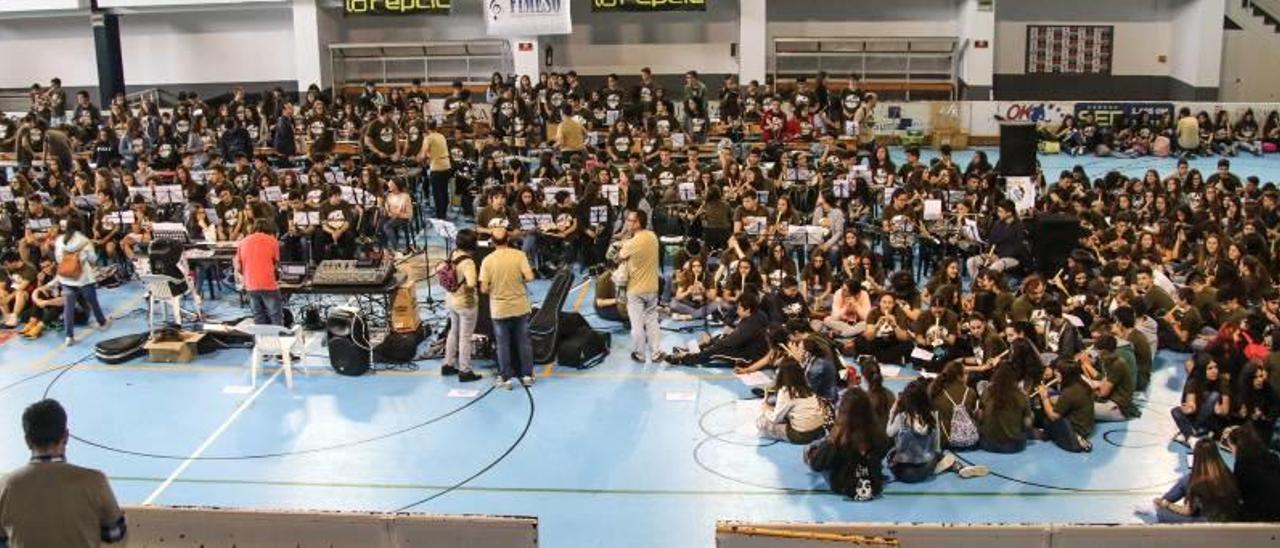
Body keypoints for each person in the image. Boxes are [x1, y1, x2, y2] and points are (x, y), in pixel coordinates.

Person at [0, 399, 126, 548]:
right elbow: (115, 534)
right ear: (66, 436)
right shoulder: (95, 481)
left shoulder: (6, 485)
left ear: (27, 441)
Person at [885, 378, 988, 483]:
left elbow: (889, 433)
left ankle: (942, 466)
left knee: (891, 453)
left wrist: (892, 413)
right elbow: (937, 447)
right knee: (938, 454)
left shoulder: (901, 418)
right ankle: (958, 467)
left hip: (904, 474)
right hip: (925, 468)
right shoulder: (932, 417)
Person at [804, 387, 892, 501]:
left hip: (842, 485)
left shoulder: (837, 440)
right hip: (872, 482)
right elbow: (882, 452)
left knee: (812, 448)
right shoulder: (878, 434)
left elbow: (817, 465)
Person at [479, 227, 535, 389]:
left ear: (492, 242)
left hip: (499, 308)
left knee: (502, 344)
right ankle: (527, 375)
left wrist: (494, 288)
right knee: (524, 342)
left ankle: (505, 378)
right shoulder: (519, 255)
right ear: (508, 239)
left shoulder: (488, 260)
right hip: (520, 306)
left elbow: (483, 288)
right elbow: (530, 277)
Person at [1149, 438, 1240, 523]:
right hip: (1228, 517)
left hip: (1208, 522)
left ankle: (1161, 502)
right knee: (1187, 481)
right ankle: (1162, 501)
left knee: (1161, 513)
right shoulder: (1227, 474)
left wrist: (1168, 505)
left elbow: (1188, 511)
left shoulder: (1198, 483)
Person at [618, 209, 664, 363]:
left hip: (635, 290)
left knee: (637, 325)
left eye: (630, 221)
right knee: (652, 321)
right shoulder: (653, 237)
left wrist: (625, 240)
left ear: (638, 222)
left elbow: (619, 256)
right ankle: (656, 353)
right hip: (652, 287)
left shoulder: (631, 243)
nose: (628, 223)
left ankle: (640, 354)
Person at [55, 217, 109, 345]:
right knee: (93, 302)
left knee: (68, 307)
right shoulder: (84, 241)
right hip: (83, 278)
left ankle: (69, 337)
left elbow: (58, 260)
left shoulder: (59, 241)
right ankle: (102, 323)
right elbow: (93, 259)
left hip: (66, 278)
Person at [441, 229, 482, 383]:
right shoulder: (468, 262)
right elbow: (471, 283)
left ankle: (448, 364)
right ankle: (465, 370)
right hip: (465, 303)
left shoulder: (453, 254)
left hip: (450, 299)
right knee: (465, 337)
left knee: (453, 332)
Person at [756, 359, 826, 444]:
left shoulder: (786, 391)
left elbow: (775, 419)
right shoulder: (809, 386)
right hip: (819, 430)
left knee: (761, 422)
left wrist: (765, 409)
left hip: (800, 435)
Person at [1223, 424, 1280, 521]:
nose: (1231, 451)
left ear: (1237, 445)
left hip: (1260, 515)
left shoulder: (1242, 464)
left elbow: (1238, 494)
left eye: (1231, 447)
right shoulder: (1273, 457)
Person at [234, 219, 283, 326]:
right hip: (268, 284)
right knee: (275, 315)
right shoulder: (272, 241)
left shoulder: (242, 242)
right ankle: (279, 340)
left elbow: (238, 267)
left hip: (250, 285)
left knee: (258, 315)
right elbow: (276, 264)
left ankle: (262, 340)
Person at [978, 363, 1033, 453]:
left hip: (988, 444)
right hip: (1014, 446)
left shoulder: (987, 392)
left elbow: (980, 416)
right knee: (1030, 415)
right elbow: (1028, 423)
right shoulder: (1022, 395)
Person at [420, 118, 452, 220]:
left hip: (437, 167)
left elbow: (423, 155)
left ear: (426, 127)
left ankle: (440, 216)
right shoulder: (441, 136)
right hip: (447, 166)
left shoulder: (428, 138)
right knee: (444, 190)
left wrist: (417, 158)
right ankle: (444, 212)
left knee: (437, 192)